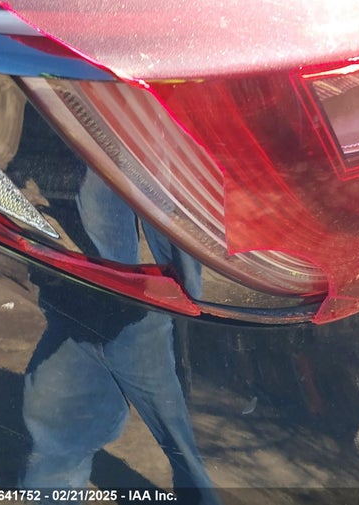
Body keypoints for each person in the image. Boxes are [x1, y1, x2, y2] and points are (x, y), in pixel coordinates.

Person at [20, 169, 220, 505]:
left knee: (185, 440)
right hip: (81, 303)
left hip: (144, 308)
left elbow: (184, 235)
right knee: (55, 429)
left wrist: (182, 306)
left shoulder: (152, 157)